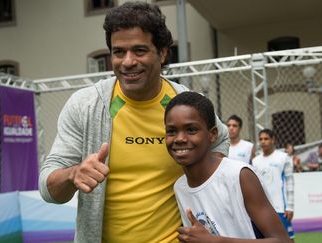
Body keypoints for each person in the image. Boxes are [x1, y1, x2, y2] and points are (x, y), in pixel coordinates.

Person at [38, 2, 229, 243]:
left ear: (161, 53)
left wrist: (205, 185)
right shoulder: (85, 105)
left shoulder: (187, 104)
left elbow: (220, 138)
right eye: (119, 52)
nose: (128, 62)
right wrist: (73, 174)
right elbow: (48, 189)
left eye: (139, 51)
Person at [164, 92, 291, 242]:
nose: (180, 139)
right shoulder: (180, 187)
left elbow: (283, 241)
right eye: (171, 131)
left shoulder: (239, 176)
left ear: (212, 134)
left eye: (191, 130)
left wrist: (215, 241)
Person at [252, 129, 295, 240]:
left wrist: (290, 206)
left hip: (280, 208)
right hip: (262, 209)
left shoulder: (283, 157)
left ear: (273, 140)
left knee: (288, 239)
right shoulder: (255, 161)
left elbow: (290, 183)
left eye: (266, 139)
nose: (263, 142)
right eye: (261, 139)